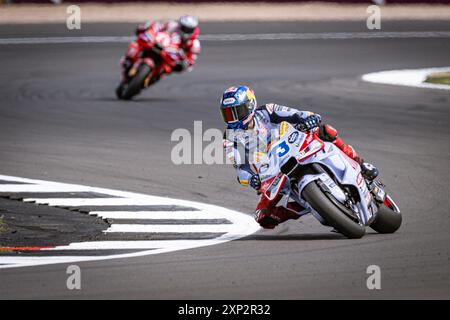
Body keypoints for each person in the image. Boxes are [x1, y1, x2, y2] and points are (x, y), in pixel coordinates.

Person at [220, 85, 379, 229]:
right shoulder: (230, 138)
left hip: (295, 145)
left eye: (236, 112)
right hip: (274, 173)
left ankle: (361, 164)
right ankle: (311, 207)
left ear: (249, 106)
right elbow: (241, 169)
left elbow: (294, 114)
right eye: (227, 114)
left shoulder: (267, 111)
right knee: (262, 216)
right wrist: (251, 179)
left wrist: (307, 118)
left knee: (324, 130)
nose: (232, 119)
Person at [120, 15, 201, 80]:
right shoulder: (172, 25)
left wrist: (184, 64)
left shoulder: (194, 44)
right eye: (184, 27)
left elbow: (191, 59)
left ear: (193, 29)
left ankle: (154, 77)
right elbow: (157, 26)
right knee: (137, 44)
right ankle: (128, 59)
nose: (185, 30)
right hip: (158, 43)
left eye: (188, 29)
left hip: (170, 56)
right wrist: (145, 27)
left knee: (167, 69)